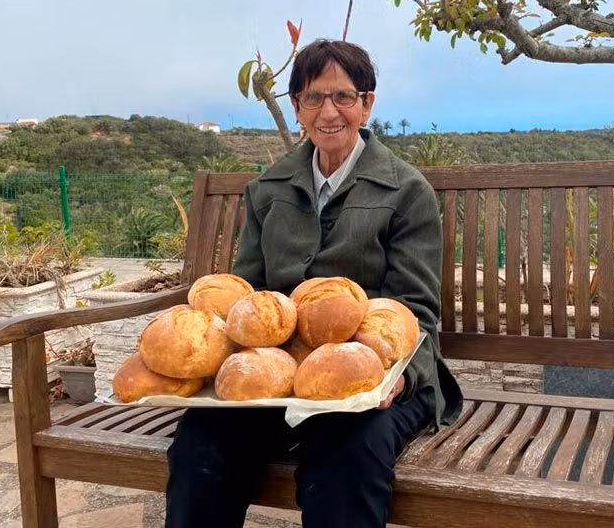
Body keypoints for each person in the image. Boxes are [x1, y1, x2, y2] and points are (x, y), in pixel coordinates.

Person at [165, 39, 463, 528]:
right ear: (297, 108)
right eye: (313, 97)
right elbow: (247, 292)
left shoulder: (406, 191)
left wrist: (397, 377)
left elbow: (416, 310)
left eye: (344, 96)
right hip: (280, 376)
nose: (330, 111)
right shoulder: (268, 190)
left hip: (373, 380)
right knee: (201, 447)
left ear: (367, 103)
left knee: (344, 458)